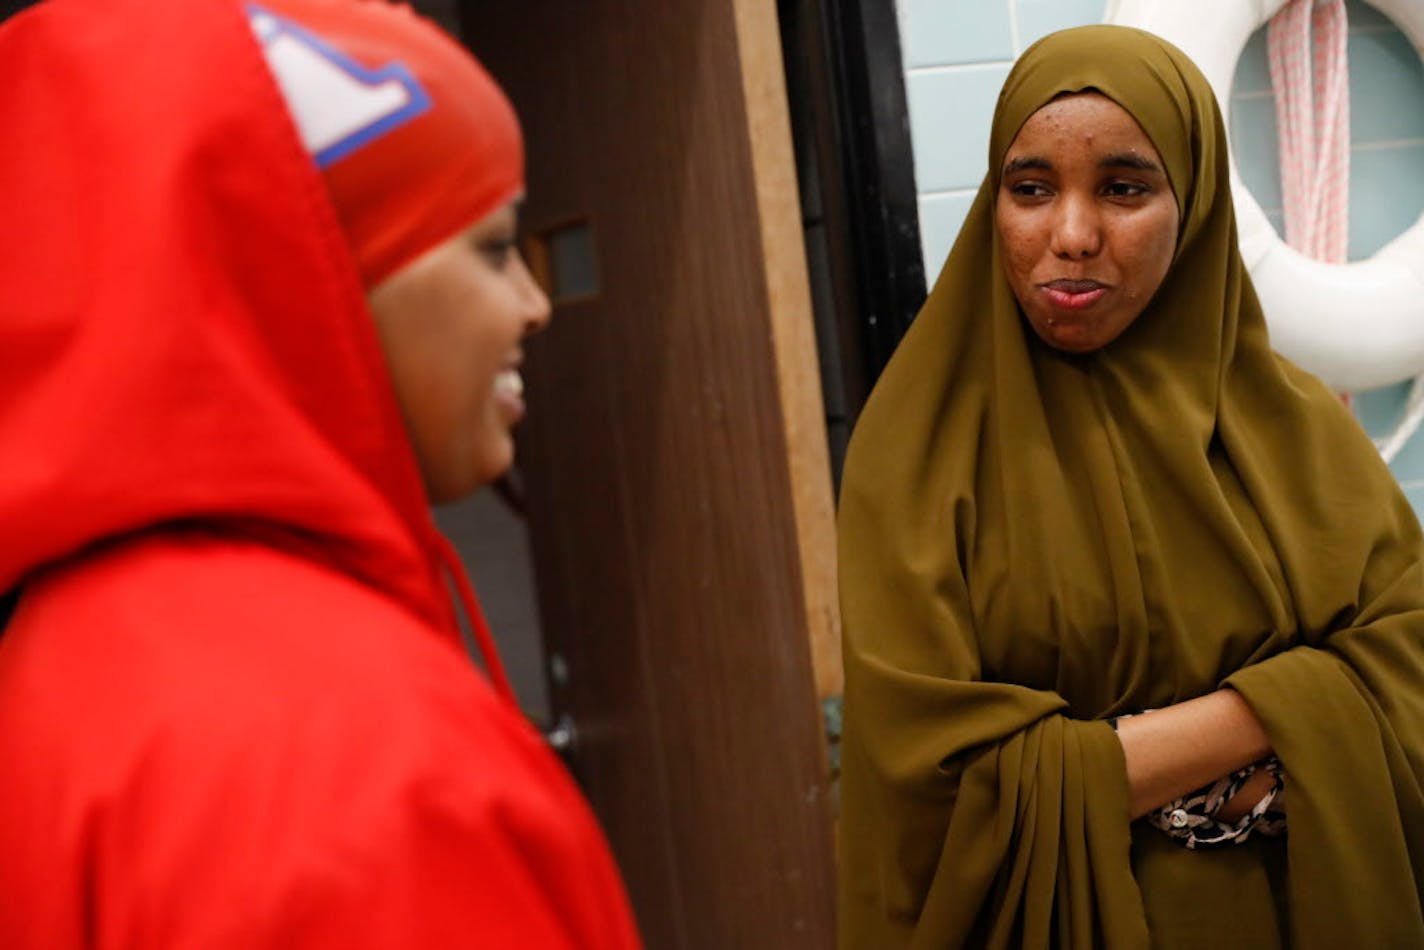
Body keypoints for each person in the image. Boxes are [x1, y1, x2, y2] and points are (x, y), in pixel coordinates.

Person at [0, 0, 641, 946]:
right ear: (314, 276)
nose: (533, 304)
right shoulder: (365, 771)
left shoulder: (67, 645)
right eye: (494, 248)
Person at [836, 25, 1424, 949]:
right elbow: (934, 779)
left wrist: (1117, 760)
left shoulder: (1295, 428)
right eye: (1030, 190)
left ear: (1191, 207)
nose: (1070, 236)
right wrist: (1281, 712)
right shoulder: (918, 454)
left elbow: (1412, 668)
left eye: (1124, 188)